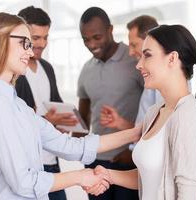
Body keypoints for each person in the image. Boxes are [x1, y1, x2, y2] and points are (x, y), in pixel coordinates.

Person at [0, 12, 142, 200]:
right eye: (24, 43)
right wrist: (80, 177)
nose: (30, 52)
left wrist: (137, 132)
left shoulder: (16, 105)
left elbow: (71, 146)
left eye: (29, 44)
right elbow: (24, 183)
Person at [87, 24, 196, 200]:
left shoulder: (187, 115)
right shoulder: (154, 112)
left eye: (147, 55)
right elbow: (147, 177)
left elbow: (188, 193)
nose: (139, 64)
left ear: (172, 59)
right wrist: (108, 174)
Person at [77, 7, 144, 200]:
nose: (91, 44)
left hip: (128, 159)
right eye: (85, 39)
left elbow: (153, 107)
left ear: (110, 30)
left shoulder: (135, 61)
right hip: (96, 161)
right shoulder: (86, 69)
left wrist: (133, 150)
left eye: (96, 37)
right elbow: (83, 118)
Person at [16, 6, 75, 200]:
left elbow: (55, 105)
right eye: (36, 38)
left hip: (51, 161)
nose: (42, 44)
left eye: (46, 37)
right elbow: (13, 122)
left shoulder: (47, 68)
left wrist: (63, 121)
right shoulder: (14, 73)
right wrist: (45, 121)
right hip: (27, 166)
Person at [100, 15, 161, 132]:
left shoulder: (162, 80)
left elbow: (157, 132)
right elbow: (145, 130)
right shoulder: (150, 77)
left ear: (150, 41)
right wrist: (120, 123)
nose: (130, 52)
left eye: (134, 45)